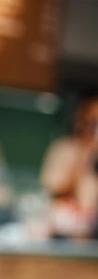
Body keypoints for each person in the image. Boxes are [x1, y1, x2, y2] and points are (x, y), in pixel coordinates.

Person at [41, 94, 98, 239]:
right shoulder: (65, 149)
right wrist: (81, 156)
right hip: (64, 234)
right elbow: (54, 187)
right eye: (91, 122)